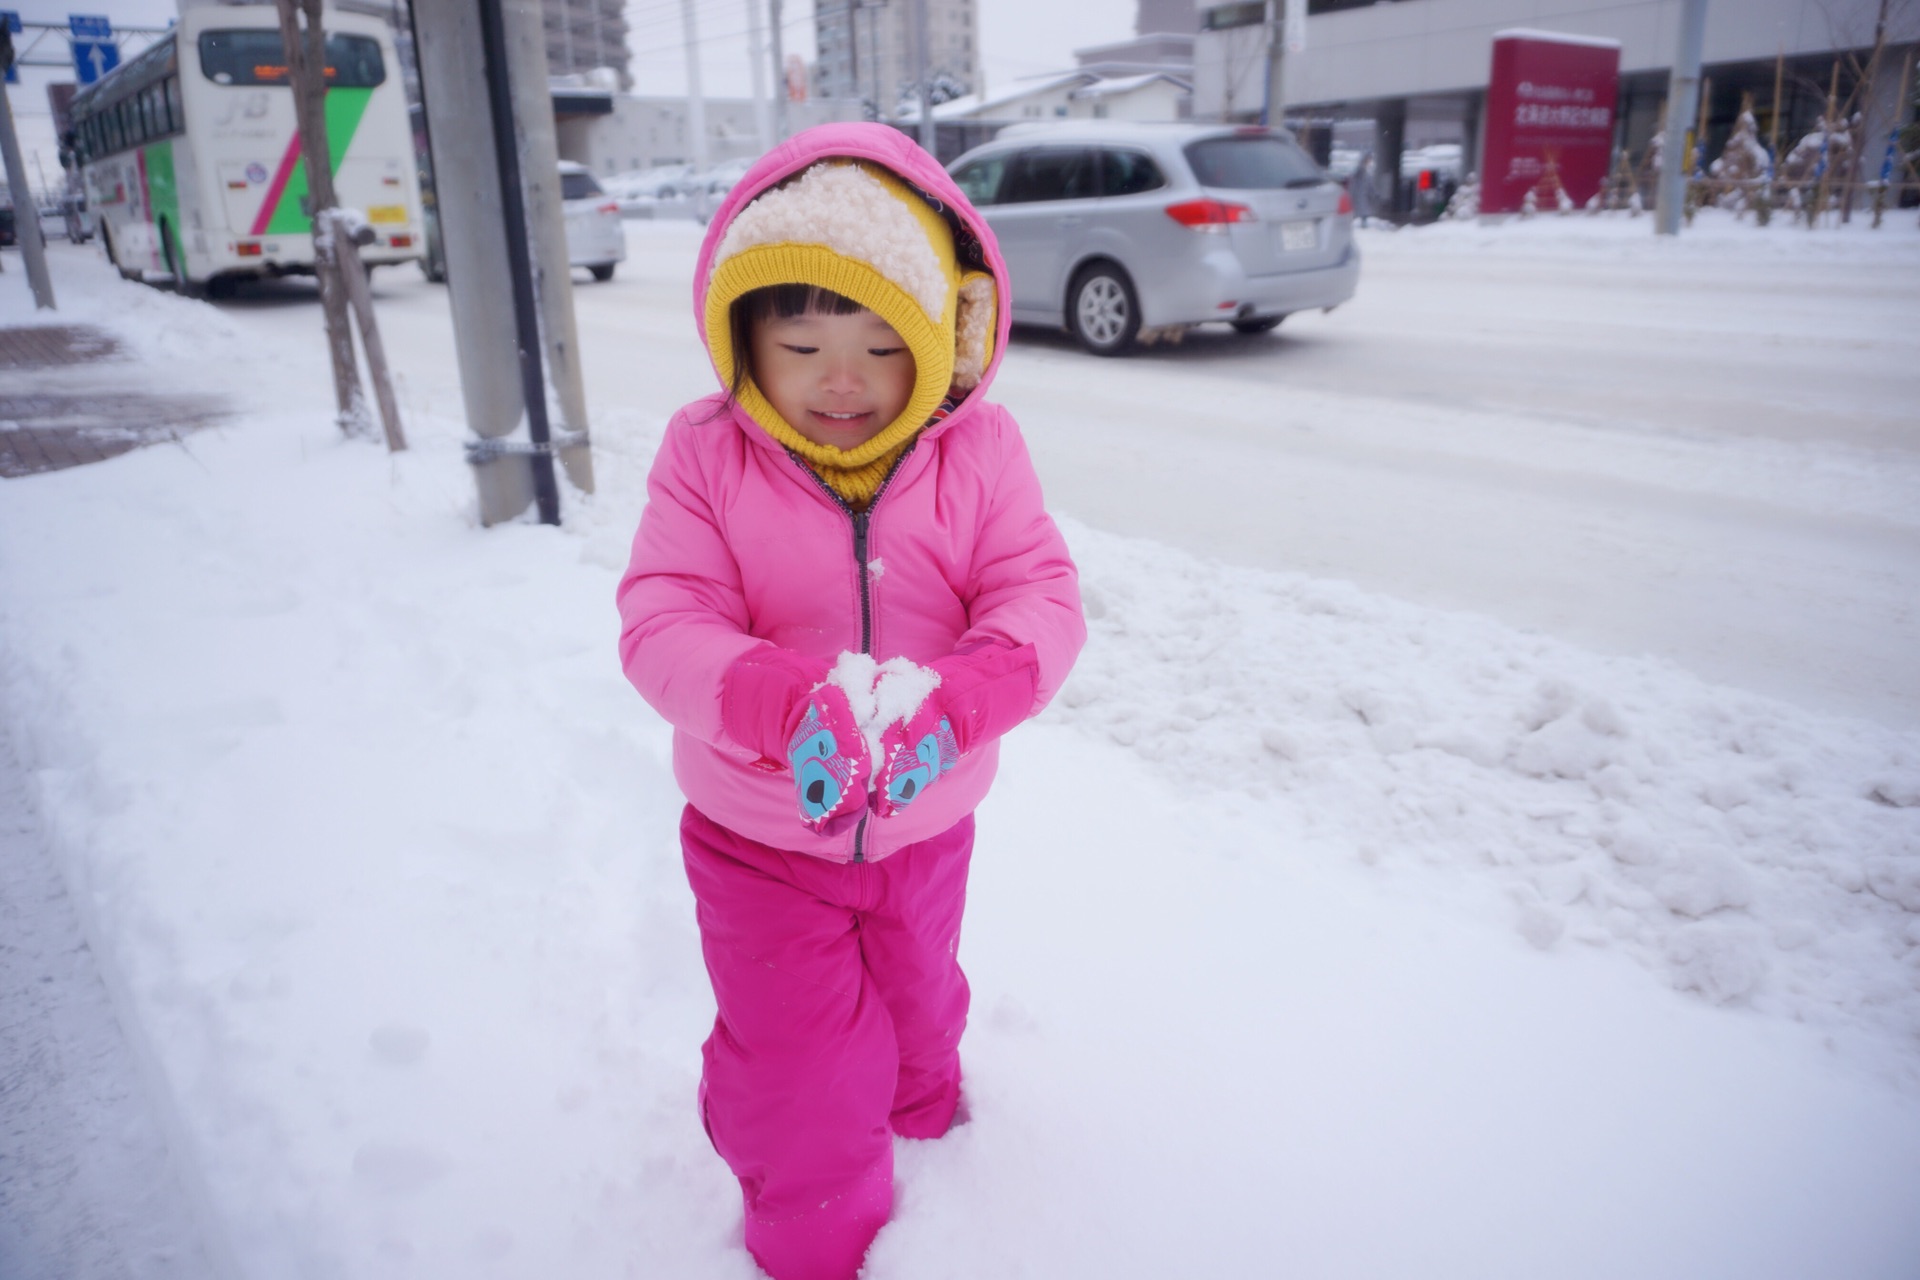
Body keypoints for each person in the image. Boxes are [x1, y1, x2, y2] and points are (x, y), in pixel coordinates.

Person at [616, 123, 1086, 1280]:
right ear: (744, 333)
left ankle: (934, 1138)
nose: (842, 378)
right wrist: (780, 705)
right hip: (760, 837)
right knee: (801, 1070)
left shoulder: (978, 452)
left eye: (883, 344)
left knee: (922, 1011)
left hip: (928, 826)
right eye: (804, 338)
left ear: (938, 342)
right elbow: (662, 619)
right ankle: (814, 1241)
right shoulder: (705, 454)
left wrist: (964, 699)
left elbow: (1038, 595)